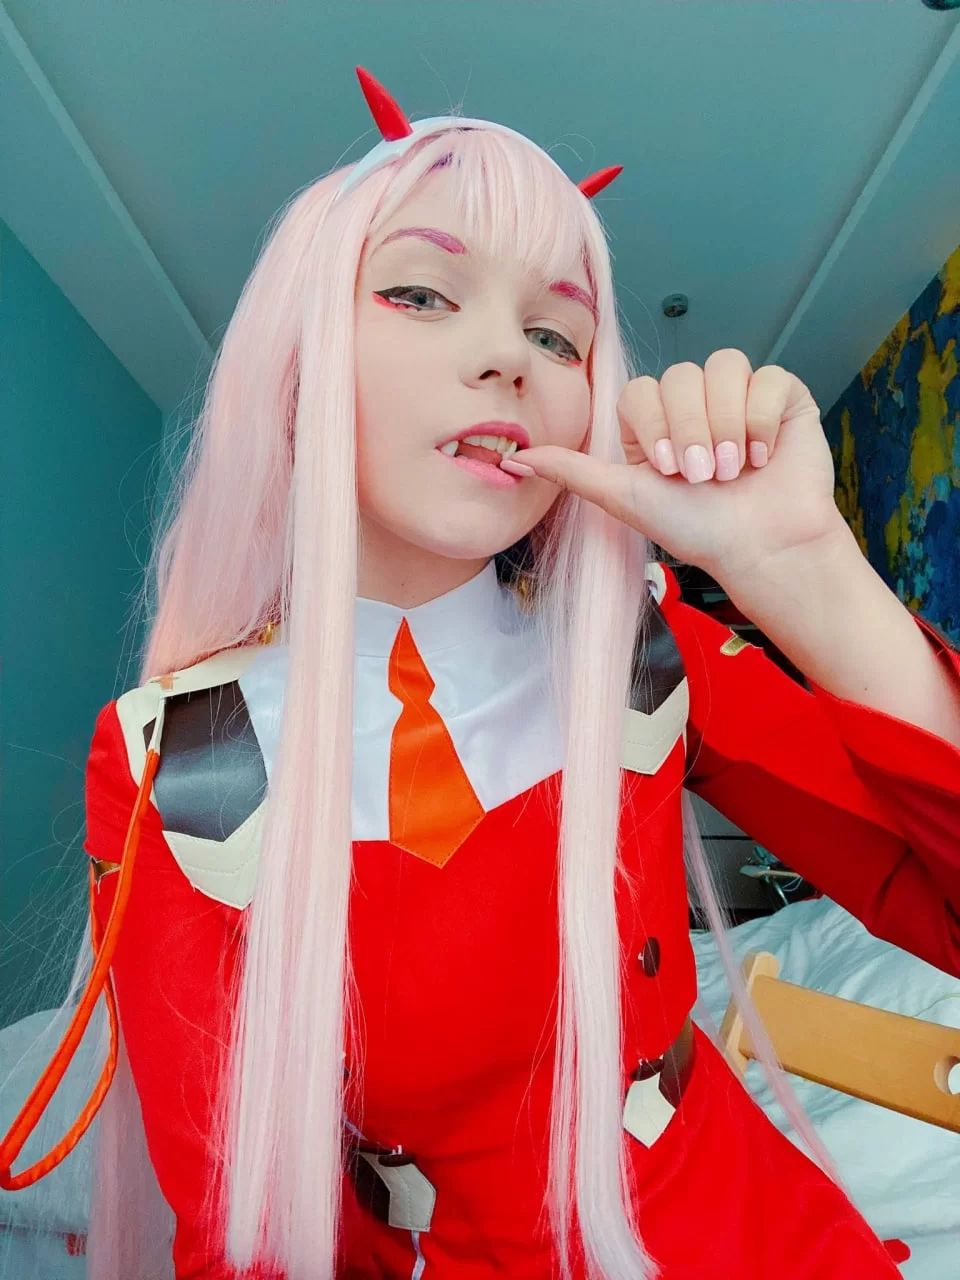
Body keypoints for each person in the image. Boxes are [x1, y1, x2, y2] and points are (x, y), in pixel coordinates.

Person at [3, 67, 960, 1280]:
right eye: (420, 291)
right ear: (295, 364)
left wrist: (809, 569)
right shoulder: (175, 754)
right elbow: (245, 1227)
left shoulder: (637, 644)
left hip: (748, 1228)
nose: (510, 355)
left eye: (557, 333)